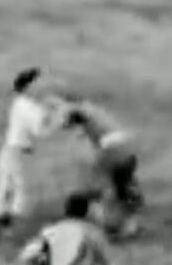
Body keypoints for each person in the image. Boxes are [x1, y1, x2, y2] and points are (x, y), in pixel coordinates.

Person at [0, 67, 53, 241]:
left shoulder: (20, 103)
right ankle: (9, 229)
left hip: (10, 150)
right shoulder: (30, 107)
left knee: (2, 191)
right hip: (20, 154)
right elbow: (41, 131)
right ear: (29, 86)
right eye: (38, 83)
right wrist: (56, 117)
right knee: (24, 194)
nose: (43, 87)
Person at [58, 97, 142, 237]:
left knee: (106, 190)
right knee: (122, 187)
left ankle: (115, 223)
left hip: (114, 152)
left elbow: (76, 117)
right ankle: (128, 220)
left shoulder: (84, 113)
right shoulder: (93, 110)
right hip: (125, 151)